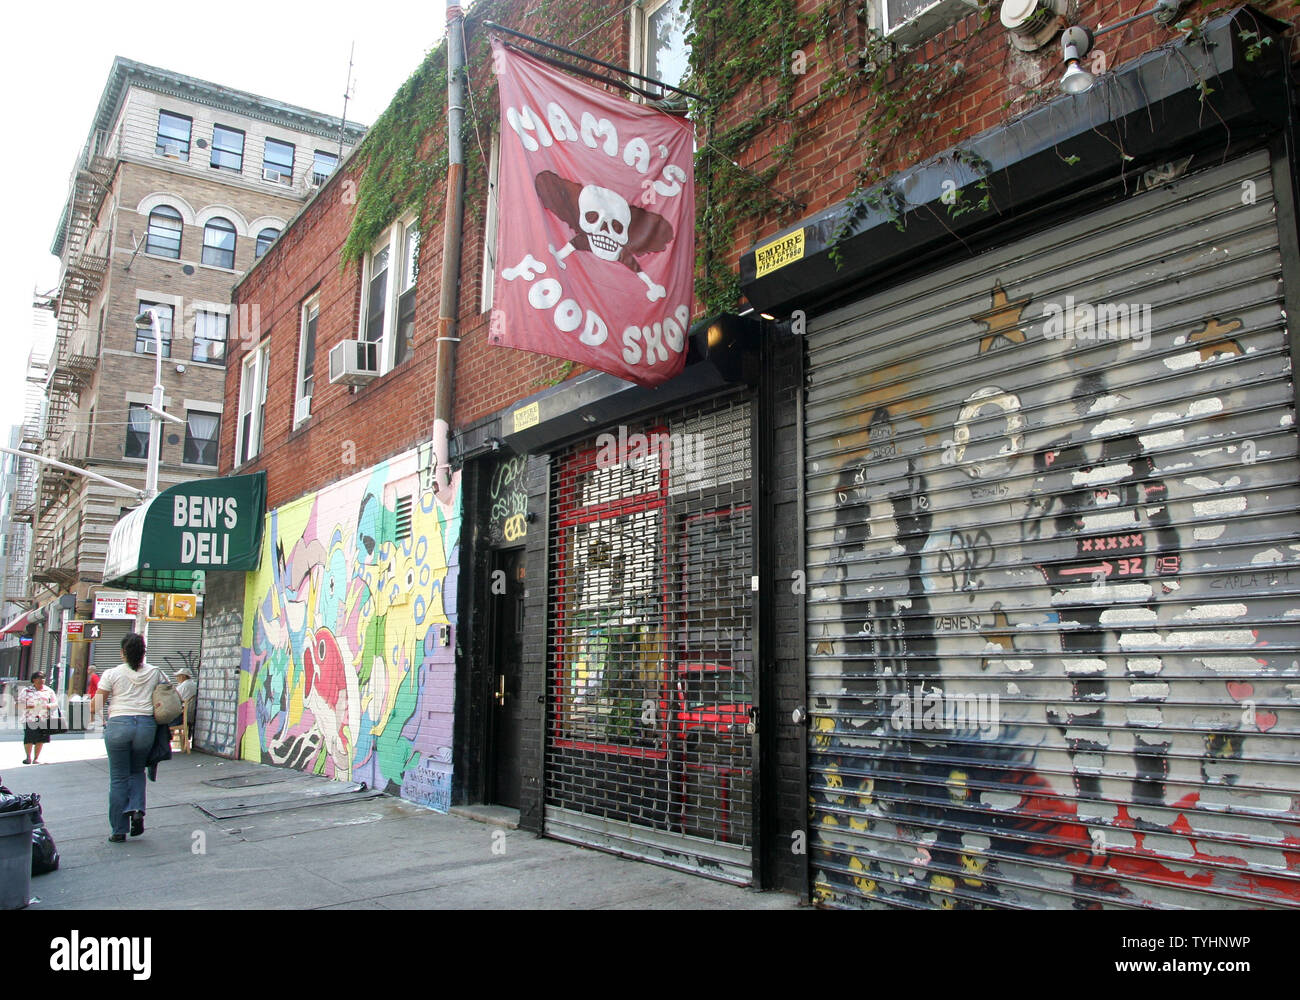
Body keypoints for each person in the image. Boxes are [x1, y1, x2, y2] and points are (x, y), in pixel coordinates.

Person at [91, 633, 165, 843]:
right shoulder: (155, 672)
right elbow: (170, 694)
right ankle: (137, 809)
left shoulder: (111, 674)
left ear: (122, 652)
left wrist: (98, 718)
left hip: (118, 725)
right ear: (144, 652)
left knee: (118, 777)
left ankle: (118, 830)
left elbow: (95, 705)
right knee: (137, 771)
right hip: (145, 726)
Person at [21, 672, 59, 764]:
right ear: (34, 679)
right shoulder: (26, 691)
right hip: (30, 718)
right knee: (29, 737)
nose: (42, 680)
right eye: (39, 678)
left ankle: (36, 758)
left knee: (41, 739)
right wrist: (30, 706)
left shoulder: (49, 691)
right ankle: (28, 757)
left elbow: (55, 703)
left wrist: (47, 706)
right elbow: (19, 703)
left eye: (43, 678)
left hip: (44, 718)